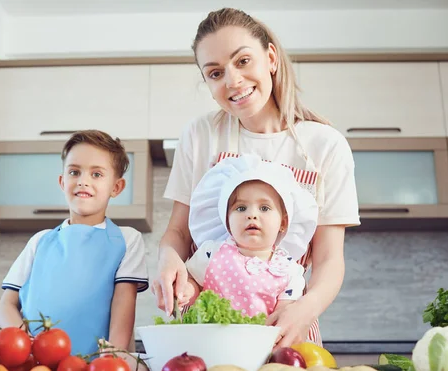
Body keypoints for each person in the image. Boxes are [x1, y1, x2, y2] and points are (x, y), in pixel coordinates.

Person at [152, 7, 360, 347]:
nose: (232, 81)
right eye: (215, 73)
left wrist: (303, 310)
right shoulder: (202, 134)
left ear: (271, 58)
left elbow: (329, 260)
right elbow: (177, 231)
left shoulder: (325, 145)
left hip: (285, 327)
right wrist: (167, 258)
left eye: (243, 61)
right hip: (204, 330)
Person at [0, 130, 151, 371]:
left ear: (116, 187)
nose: (83, 181)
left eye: (97, 174)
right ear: (62, 181)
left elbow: (124, 303)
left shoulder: (127, 239)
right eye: (74, 172)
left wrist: (112, 356)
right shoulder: (40, 241)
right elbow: (6, 305)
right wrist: (28, 346)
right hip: (36, 363)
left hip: (94, 365)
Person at [179, 154, 318, 331]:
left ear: (283, 223)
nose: (251, 215)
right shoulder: (211, 253)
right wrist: (186, 292)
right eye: (241, 208)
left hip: (262, 351)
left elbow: (284, 311)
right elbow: (193, 281)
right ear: (226, 220)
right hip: (211, 344)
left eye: (264, 208)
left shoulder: (290, 270)